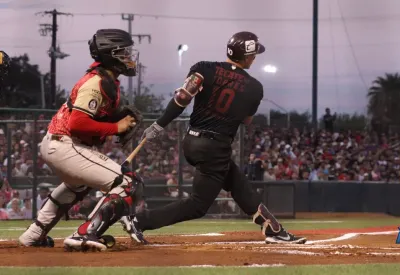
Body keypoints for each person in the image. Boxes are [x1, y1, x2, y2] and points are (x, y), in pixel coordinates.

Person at [120, 31, 306, 244]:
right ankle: (139, 220)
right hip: (215, 147)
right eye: (253, 54)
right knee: (198, 205)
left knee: (237, 184)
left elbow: (181, 99)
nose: (254, 58)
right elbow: (246, 120)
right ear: (245, 57)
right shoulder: (254, 87)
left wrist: (159, 124)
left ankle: (271, 227)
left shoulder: (203, 68)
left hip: (191, 141)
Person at [18, 29, 144, 251]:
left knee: (77, 187)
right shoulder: (96, 82)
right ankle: (85, 234)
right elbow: (77, 123)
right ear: (110, 55)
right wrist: (117, 126)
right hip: (65, 144)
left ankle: (33, 235)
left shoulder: (105, 80)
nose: (129, 58)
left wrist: (115, 121)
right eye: (124, 53)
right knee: (128, 183)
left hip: (59, 144)